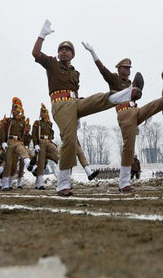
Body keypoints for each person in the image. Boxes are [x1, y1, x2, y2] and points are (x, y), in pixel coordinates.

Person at [32, 20, 145, 196]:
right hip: (60, 105)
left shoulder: (75, 73)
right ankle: (63, 184)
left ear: (72, 54)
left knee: (98, 98)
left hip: (75, 103)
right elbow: (36, 53)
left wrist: (77, 117)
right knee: (70, 140)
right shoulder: (52, 64)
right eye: (61, 49)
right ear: (58, 53)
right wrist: (42, 35)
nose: (64, 51)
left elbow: (75, 94)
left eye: (68, 49)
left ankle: (126, 94)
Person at [81, 43, 163, 192]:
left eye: (129, 68)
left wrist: (145, 117)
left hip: (136, 111)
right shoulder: (114, 79)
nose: (128, 70)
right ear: (119, 69)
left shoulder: (130, 83)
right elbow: (102, 70)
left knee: (156, 104)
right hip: (124, 113)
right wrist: (93, 53)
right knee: (128, 147)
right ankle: (123, 183)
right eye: (126, 67)